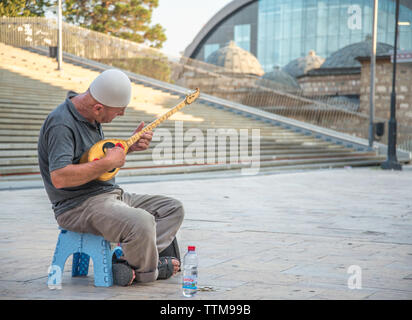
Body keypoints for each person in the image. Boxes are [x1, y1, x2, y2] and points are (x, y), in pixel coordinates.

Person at [38, 69, 184, 286]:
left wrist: (129, 148)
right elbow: (60, 177)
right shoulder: (62, 124)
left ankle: (126, 262)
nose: (121, 115)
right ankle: (151, 271)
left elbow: (94, 158)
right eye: (118, 112)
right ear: (98, 107)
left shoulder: (89, 115)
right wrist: (107, 162)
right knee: (142, 221)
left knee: (172, 208)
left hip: (109, 195)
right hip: (77, 206)